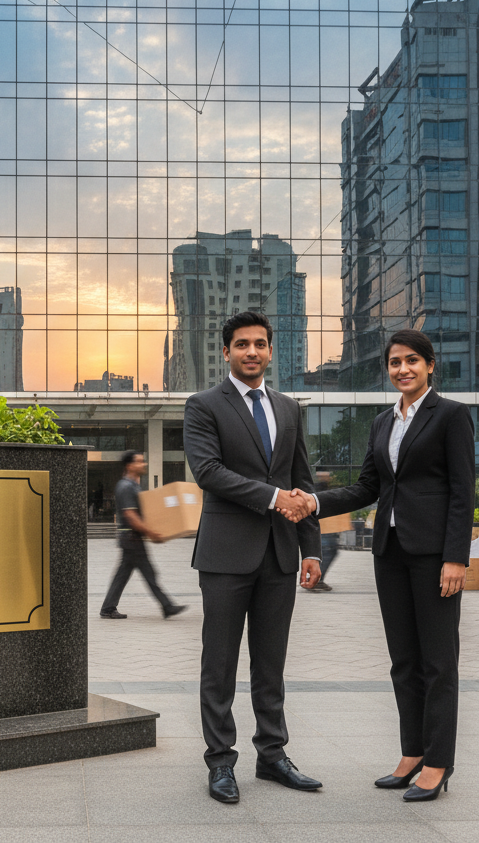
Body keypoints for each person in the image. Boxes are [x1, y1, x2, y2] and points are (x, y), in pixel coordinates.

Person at [280, 328, 475, 802]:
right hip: (389, 553)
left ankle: (438, 762)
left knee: (438, 662)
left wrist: (455, 558)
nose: (403, 369)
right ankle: (411, 754)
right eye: (394, 363)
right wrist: (313, 503)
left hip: (433, 557)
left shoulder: (450, 416)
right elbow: (368, 487)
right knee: (403, 661)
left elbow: (462, 493)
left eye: (412, 360)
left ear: (430, 365)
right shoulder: (382, 423)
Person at [182, 311, 323, 805]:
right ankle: (220, 761)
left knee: (271, 662)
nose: (251, 352)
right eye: (242, 344)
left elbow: (301, 480)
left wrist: (311, 549)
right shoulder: (203, 406)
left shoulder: (288, 408)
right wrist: (272, 498)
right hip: (225, 555)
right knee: (219, 663)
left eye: (260, 344)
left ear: (270, 351)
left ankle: (273, 755)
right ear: (226, 352)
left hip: (281, 555)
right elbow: (208, 471)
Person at [99, 451, 188, 621]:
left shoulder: (133, 485)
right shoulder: (126, 486)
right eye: (140, 462)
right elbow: (131, 516)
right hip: (131, 538)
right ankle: (167, 606)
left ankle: (108, 608)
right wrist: (151, 533)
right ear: (129, 466)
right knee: (149, 573)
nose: (144, 464)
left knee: (123, 574)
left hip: (131, 538)